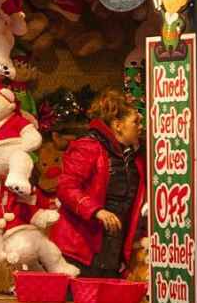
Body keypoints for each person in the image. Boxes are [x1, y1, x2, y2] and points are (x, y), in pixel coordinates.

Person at [53, 92, 146, 278]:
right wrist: (96, 210)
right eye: (135, 122)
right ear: (118, 125)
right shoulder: (88, 147)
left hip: (113, 247)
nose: (140, 127)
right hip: (82, 247)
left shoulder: (133, 157)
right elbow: (66, 187)